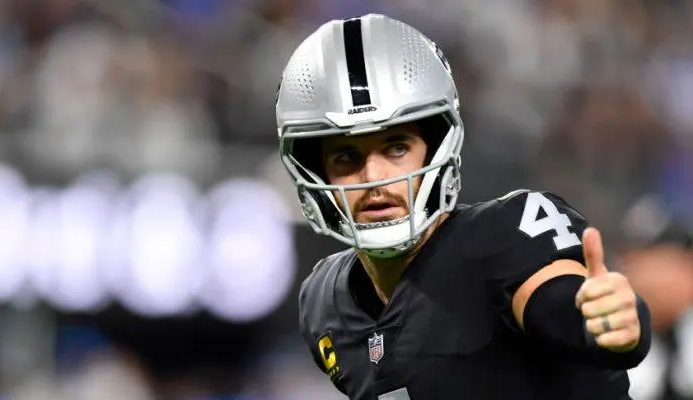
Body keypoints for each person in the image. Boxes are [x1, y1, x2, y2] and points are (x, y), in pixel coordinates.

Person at [275, 14, 652, 400]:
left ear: (436, 149)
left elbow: (557, 301)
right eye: (346, 157)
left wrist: (600, 320)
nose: (374, 177)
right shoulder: (324, 304)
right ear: (314, 172)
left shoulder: (503, 236)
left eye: (397, 148)